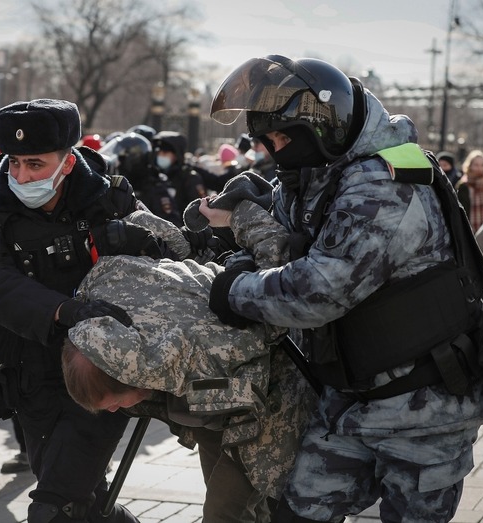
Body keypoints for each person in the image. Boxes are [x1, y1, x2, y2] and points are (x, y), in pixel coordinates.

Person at [207, 55, 483, 522]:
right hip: (348, 399)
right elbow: (297, 254)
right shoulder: (315, 174)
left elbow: (321, 290)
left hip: (423, 410)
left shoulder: (386, 180)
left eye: (284, 138)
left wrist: (237, 291)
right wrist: (247, 237)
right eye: (268, 141)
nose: (276, 150)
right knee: (296, 513)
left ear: (325, 125)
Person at [0, 98, 174, 523]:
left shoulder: (108, 196)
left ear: (68, 161)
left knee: (58, 505)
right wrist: (63, 310)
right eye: (15, 162)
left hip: (97, 371)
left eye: (36, 164)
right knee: (85, 497)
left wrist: (140, 243)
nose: (22, 175)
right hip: (28, 374)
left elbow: (168, 255)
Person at [60, 181, 316, 522]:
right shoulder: (103, 301)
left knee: (225, 512)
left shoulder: (202, 349)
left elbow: (276, 296)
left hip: (271, 402)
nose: (116, 411)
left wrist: (241, 216)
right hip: (219, 407)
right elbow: (156, 235)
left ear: (130, 376)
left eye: (118, 402)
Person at [98, 132, 181, 226]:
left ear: (134, 160)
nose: (117, 164)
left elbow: (171, 227)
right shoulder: (118, 185)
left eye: (121, 159)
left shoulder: (155, 189)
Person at [152, 130, 208, 215]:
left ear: (176, 155)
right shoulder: (154, 175)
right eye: (159, 153)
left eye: (165, 153)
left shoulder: (190, 178)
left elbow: (201, 211)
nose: (160, 156)